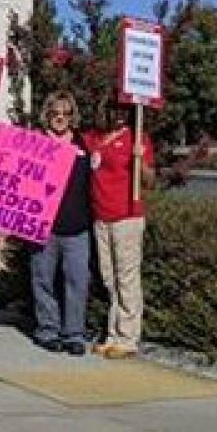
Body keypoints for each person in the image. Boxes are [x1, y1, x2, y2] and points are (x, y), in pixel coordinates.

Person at [84, 101, 154, 359]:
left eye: (125, 110)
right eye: (115, 109)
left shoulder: (137, 137)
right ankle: (113, 334)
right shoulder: (95, 137)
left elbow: (150, 180)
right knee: (108, 278)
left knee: (127, 277)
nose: (120, 114)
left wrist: (140, 160)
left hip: (127, 216)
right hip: (101, 217)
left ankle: (128, 337)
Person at [31, 92, 93, 356]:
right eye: (56, 112)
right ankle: (48, 330)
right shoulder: (35, 143)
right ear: (48, 114)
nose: (60, 118)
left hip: (77, 225)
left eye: (66, 113)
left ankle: (74, 333)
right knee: (43, 280)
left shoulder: (84, 146)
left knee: (78, 281)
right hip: (43, 227)